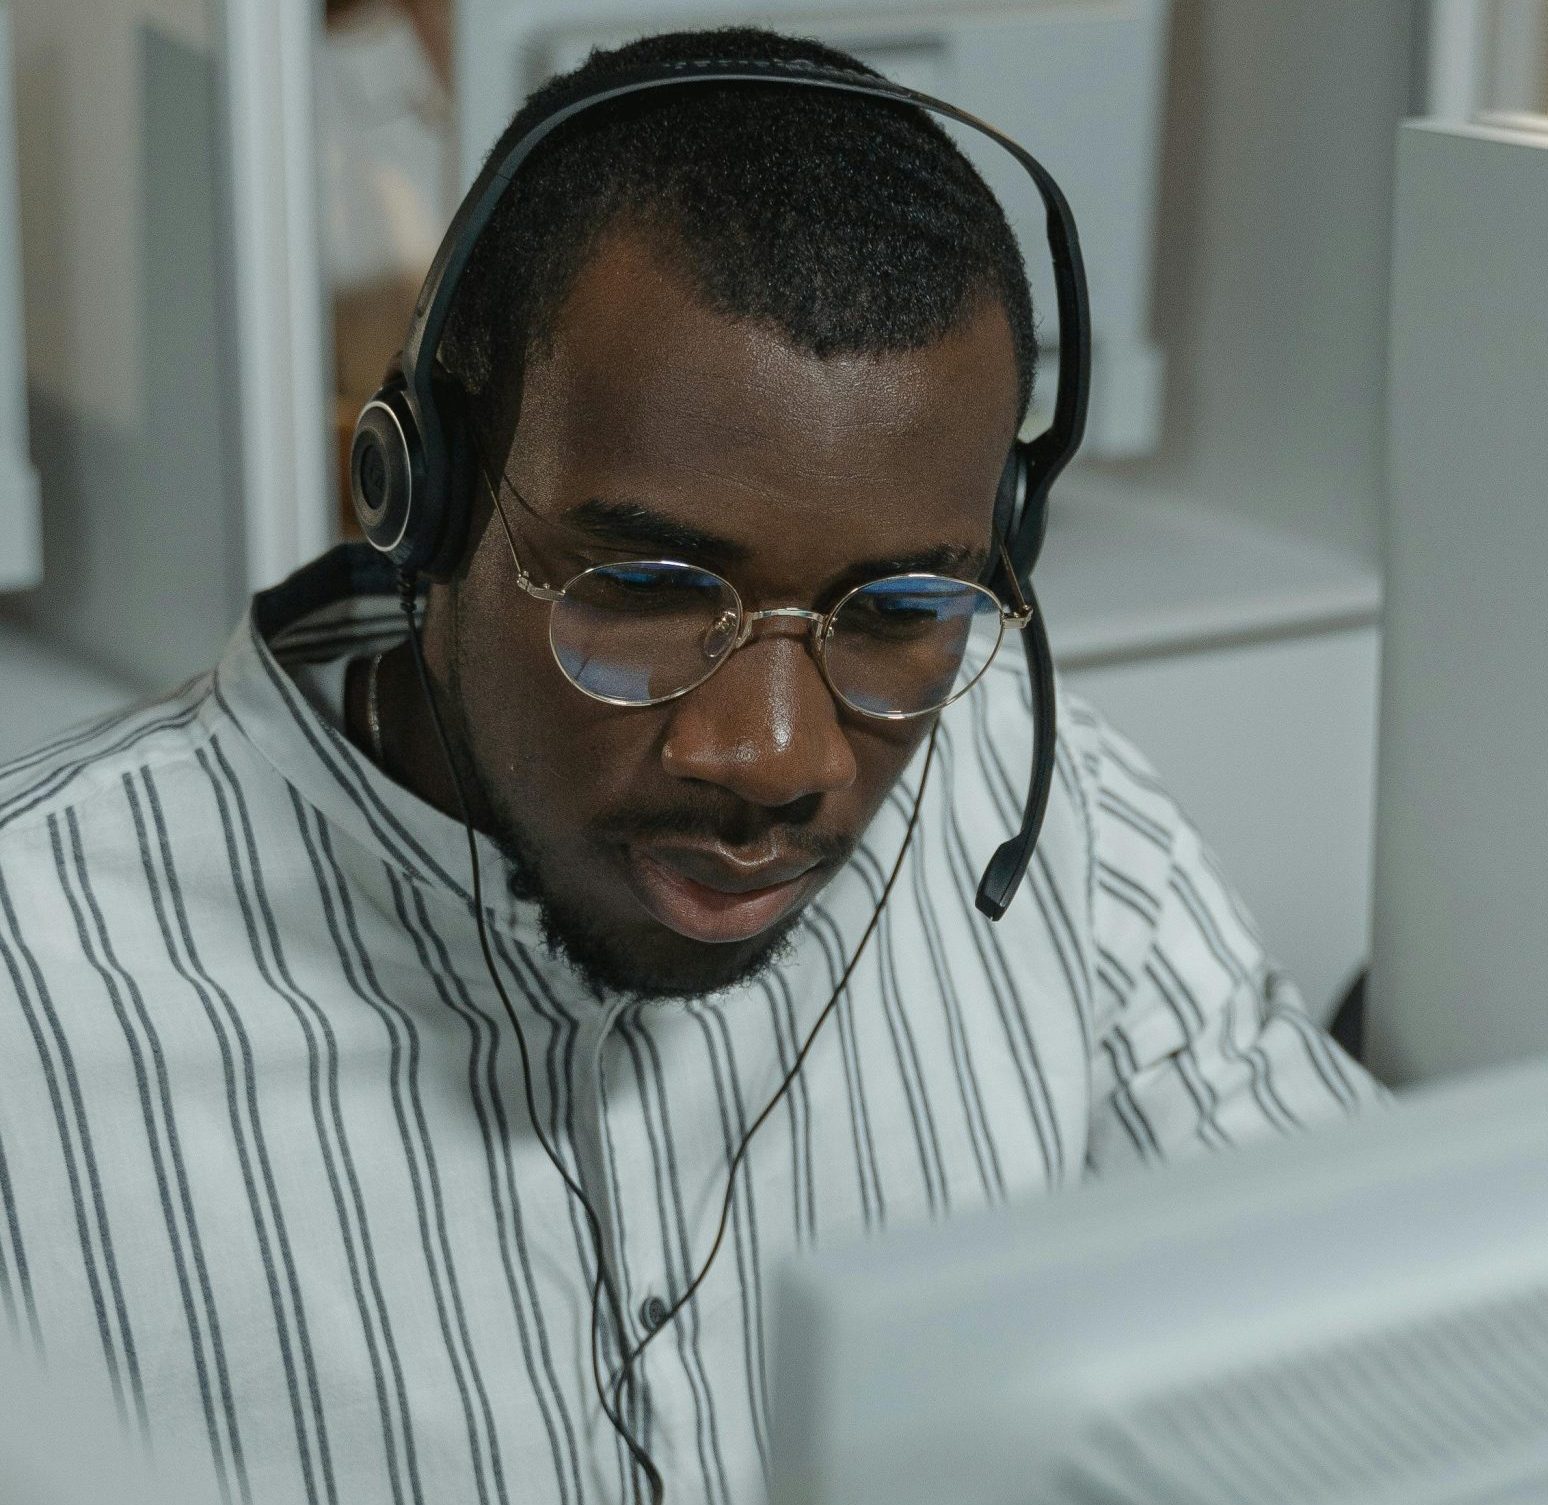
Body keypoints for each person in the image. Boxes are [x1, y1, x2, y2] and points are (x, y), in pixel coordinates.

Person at [0, 26, 1382, 1505]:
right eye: (649, 590)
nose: (774, 758)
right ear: (422, 493)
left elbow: (1385, 1369)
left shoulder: (1052, 829)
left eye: (900, 609)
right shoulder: (36, 987)